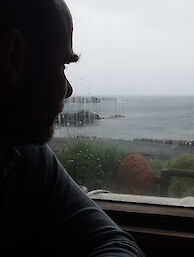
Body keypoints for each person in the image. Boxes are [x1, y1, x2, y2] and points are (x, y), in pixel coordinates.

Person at [0, 0, 144, 256]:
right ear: (13, 57)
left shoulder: (25, 154)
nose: (68, 89)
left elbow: (114, 242)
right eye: (62, 65)